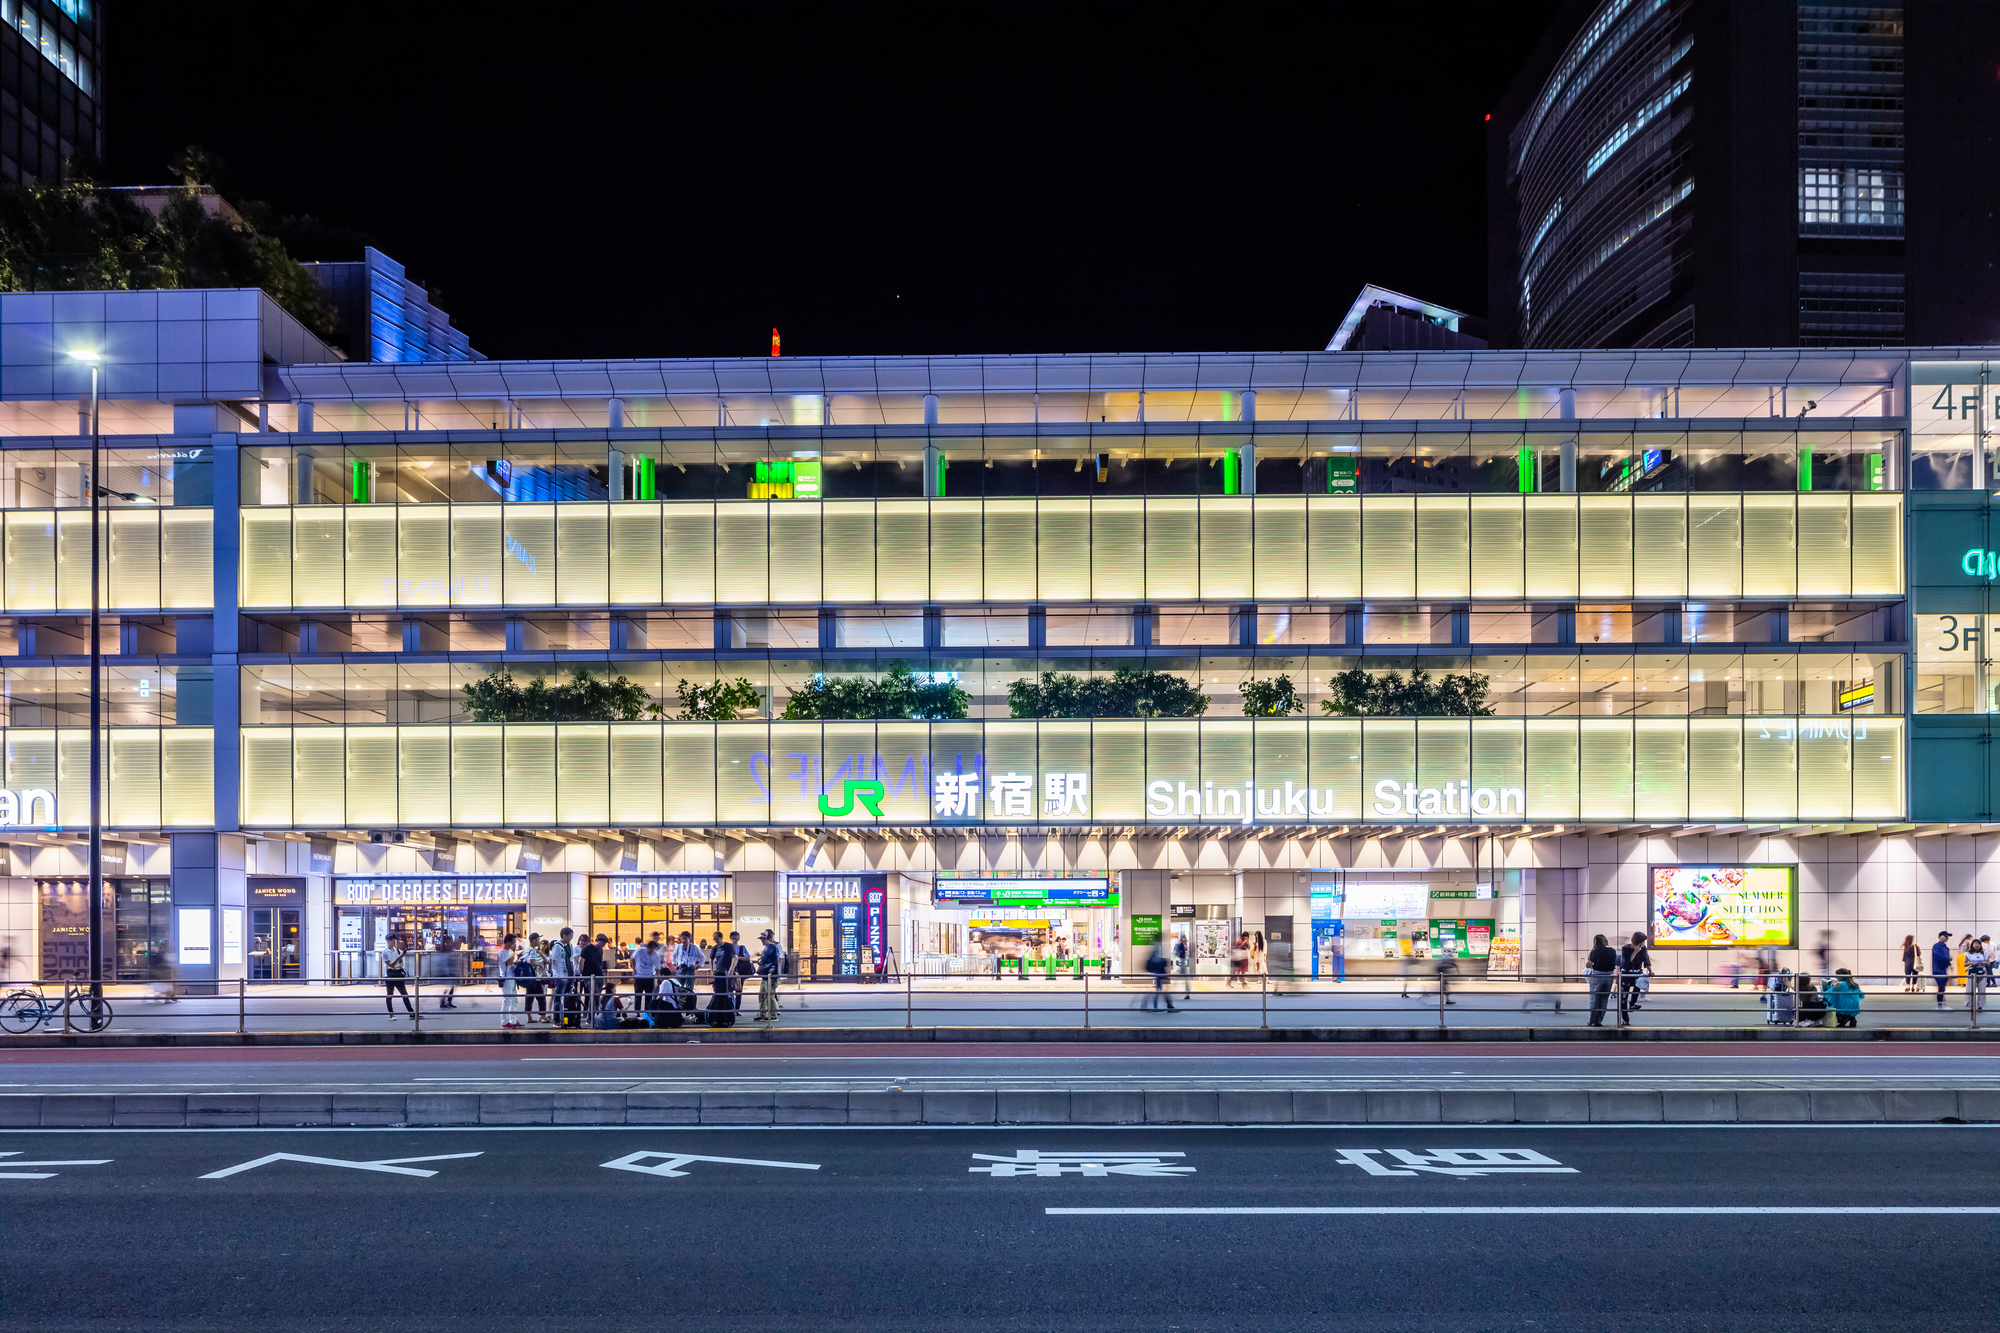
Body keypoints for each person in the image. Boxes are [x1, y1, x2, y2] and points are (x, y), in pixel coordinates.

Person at [1584, 934, 1618, 1027]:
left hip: (1598, 975)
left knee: (1594, 998)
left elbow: (1588, 964)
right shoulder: (1612, 951)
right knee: (1604, 999)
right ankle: (1599, 1020)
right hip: (1609, 976)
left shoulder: (1594, 951)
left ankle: (1592, 1021)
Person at [1618, 931, 1652, 1022]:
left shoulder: (1643, 948)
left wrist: (1651, 971)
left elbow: (1646, 960)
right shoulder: (1626, 948)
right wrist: (1635, 952)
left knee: (1639, 984)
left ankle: (1632, 1003)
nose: (1644, 944)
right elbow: (1626, 962)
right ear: (1638, 941)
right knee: (1623, 997)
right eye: (1643, 942)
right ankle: (1625, 1019)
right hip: (1626, 973)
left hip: (1637, 973)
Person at [547, 928, 577, 1027]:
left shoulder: (570, 946)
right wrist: (555, 974)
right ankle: (557, 1020)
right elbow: (553, 960)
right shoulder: (557, 946)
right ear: (564, 935)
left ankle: (566, 1019)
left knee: (567, 999)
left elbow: (571, 960)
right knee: (558, 998)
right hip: (560, 977)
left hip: (568, 976)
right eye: (570, 935)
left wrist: (572, 974)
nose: (571, 937)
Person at [381, 936, 415, 1018]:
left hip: (398, 973)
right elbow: (390, 964)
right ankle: (391, 1014)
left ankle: (411, 1012)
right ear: (388, 941)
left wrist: (397, 965)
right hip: (390, 975)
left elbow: (401, 962)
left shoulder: (397, 950)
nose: (393, 942)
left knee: (404, 994)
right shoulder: (385, 952)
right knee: (390, 994)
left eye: (394, 940)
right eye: (392, 940)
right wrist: (399, 958)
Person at [518, 933, 548, 1023]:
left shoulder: (527, 950)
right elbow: (532, 963)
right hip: (534, 977)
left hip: (527, 977)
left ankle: (529, 1017)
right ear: (534, 940)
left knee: (529, 998)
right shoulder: (533, 950)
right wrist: (540, 964)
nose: (539, 942)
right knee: (541, 997)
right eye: (538, 940)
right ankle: (543, 1016)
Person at [671, 930, 705, 1010]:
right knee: (678, 988)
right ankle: (679, 1006)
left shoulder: (694, 947)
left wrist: (698, 966)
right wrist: (675, 964)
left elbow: (703, 957)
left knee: (689, 989)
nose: (683, 941)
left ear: (689, 939)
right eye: (682, 939)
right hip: (680, 969)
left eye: (685, 939)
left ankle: (690, 1006)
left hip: (690, 969)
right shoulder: (678, 947)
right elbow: (673, 956)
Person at [631, 934, 664, 1012]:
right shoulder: (640, 951)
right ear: (647, 947)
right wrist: (634, 969)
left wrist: (657, 977)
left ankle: (647, 1012)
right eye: (650, 949)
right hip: (639, 976)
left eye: (653, 949)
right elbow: (632, 958)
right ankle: (637, 1012)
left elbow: (657, 968)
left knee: (648, 997)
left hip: (649, 977)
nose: (651, 951)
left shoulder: (655, 955)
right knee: (638, 996)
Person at [579, 932, 610, 1015]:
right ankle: (594, 1015)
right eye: (604, 943)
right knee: (595, 996)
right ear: (599, 941)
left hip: (598, 975)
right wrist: (582, 974)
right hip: (589, 975)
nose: (604, 945)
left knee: (595, 996)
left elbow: (599, 962)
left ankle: (591, 1016)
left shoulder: (600, 950)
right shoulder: (587, 948)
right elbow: (581, 962)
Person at [1143, 937, 1176, 1012]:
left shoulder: (1156, 948)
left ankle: (1163, 1005)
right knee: (1160, 990)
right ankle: (1166, 1006)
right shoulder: (1157, 949)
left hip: (1158, 972)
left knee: (1159, 989)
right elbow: (1157, 960)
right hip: (1158, 972)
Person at [755, 929, 782, 1022]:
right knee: (762, 996)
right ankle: (762, 1014)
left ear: (769, 938)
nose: (762, 941)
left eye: (763, 939)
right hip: (765, 976)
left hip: (771, 976)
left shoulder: (771, 948)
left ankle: (773, 1015)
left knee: (769, 996)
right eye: (761, 939)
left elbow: (766, 961)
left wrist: (761, 961)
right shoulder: (767, 948)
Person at [497, 933, 521, 1029]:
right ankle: (504, 1021)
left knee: (514, 1000)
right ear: (508, 942)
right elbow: (509, 962)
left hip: (512, 977)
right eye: (513, 942)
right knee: (507, 1000)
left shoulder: (508, 952)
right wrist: (513, 952)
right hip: (506, 978)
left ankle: (513, 1020)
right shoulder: (502, 952)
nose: (514, 944)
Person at [1965, 937, 1991, 1014]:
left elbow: (1988, 963)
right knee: (1971, 989)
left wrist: (1984, 962)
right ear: (1972, 944)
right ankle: (1971, 1005)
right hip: (1972, 971)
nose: (1977, 945)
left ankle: (1980, 1006)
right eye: (1975, 943)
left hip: (1982, 971)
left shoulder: (1984, 953)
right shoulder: (1968, 954)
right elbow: (1964, 964)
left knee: (1982, 989)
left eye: (1979, 943)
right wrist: (1971, 963)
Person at [1932, 930, 1953, 1009]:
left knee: (1942, 987)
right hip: (1938, 969)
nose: (1946, 938)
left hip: (1943, 969)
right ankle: (1940, 1005)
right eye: (1945, 936)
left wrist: (1949, 963)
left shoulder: (1945, 947)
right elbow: (1940, 957)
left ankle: (1942, 1004)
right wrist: (1948, 959)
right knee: (1941, 987)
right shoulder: (1937, 946)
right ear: (1940, 937)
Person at [1174, 933, 1191, 999]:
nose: (1185, 941)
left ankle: (1187, 993)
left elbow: (1180, 954)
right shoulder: (1182, 945)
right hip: (1182, 962)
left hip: (1183, 962)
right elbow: (1181, 954)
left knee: (1180, 977)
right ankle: (1187, 993)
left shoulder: (1182, 945)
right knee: (1183, 978)